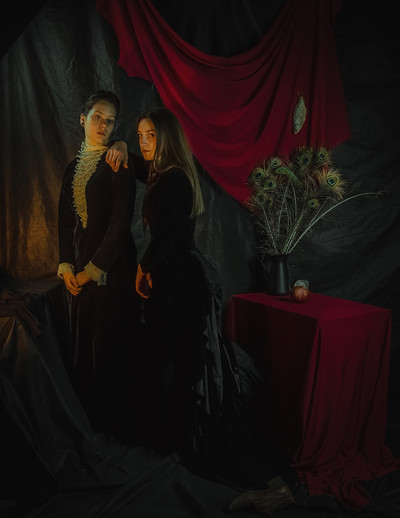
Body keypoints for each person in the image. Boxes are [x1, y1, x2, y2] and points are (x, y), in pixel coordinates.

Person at [127, 106, 296, 516]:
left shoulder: (174, 179)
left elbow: (166, 235)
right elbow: (142, 170)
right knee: (180, 362)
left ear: (166, 138)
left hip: (182, 282)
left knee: (192, 365)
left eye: (150, 135)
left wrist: (142, 268)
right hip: (175, 278)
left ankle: (271, 485)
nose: (143, 142)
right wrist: (117, 146)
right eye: (140, 135)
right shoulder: (164, 173)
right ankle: (184, 434)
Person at [57, 90, 145, 438]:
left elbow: (120, 223)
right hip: (80, 265)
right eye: (97, 117)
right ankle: (88, 419)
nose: (103, 126)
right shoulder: (72, 167)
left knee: (111, 339)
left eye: (110, 121)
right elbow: (65, 220)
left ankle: (115, 424)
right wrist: (67, 265)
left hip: (113, 266)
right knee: (84, 338)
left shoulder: (117, 162)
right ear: (83, 119)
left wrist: (92, 270)